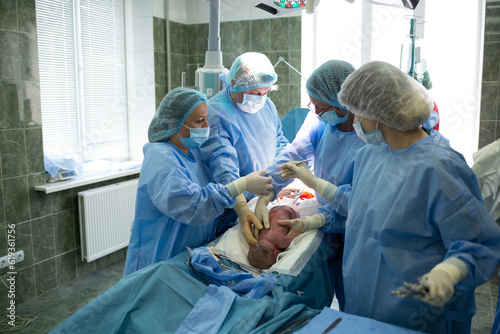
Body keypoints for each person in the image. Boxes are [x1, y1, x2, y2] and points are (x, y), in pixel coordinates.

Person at [278, 61, 500, 333]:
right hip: (362, 307)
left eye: (357, 113)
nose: (355, 121)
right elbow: (357, 210)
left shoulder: (440, 167)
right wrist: (314, 220)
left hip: (417, 313)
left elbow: (479, 243)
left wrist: (448, 273)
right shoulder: (370, 155)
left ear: (378, 112)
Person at [123, 87, 273, 277]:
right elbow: (193, 205)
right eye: (199, 121)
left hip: (186, 256)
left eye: (206, 120)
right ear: (173, 123)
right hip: (161, 258)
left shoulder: (193, 151)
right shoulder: (161, 157)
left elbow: (217, 183)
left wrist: (244, 204)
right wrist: (241, 185)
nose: (206, 128)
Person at [254, 60, 365, 310]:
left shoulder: (369, 138)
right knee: (334, 288)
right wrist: (265, 193)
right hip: (328, 222)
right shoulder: (321, 122)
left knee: (358, 299)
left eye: (320, 106)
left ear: (343, 102)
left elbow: (361, 202)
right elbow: (291, 157)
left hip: (357, 230)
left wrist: (314, 186)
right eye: (312, 105)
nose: (315, 111)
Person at [199, 52, 289, 245]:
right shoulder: (217, 113)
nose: (260, 99)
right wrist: (241, 206)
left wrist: (285, 172)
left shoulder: (266, 106)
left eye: (265, 93)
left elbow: (278, 140)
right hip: (232, 205)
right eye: (255, 93)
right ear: (234, 84)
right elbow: (223, 167)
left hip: (266, 195)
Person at [248, 205, 299, 270]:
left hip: (289, 212)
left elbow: (296, 236)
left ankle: (296, 214)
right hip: (274, 209)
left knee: (297, 223)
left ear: (276, 253)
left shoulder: (281, 242)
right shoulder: (259, 237)